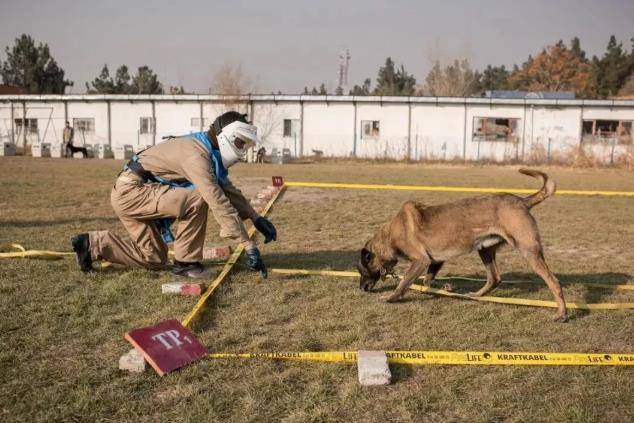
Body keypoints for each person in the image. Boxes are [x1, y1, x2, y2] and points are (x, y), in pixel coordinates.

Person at [70, 111, 277, 278]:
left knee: (155, 258)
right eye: (241, 143)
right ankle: (186, 264)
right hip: (132, 193)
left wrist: (255, 217)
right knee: (197, 198)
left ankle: (91, 244)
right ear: (227, 137)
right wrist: (248, 244)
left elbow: (225, 187)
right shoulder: (196, 154)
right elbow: (215, 196)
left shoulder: (204, 148)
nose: (242, 149)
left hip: (131, 193)